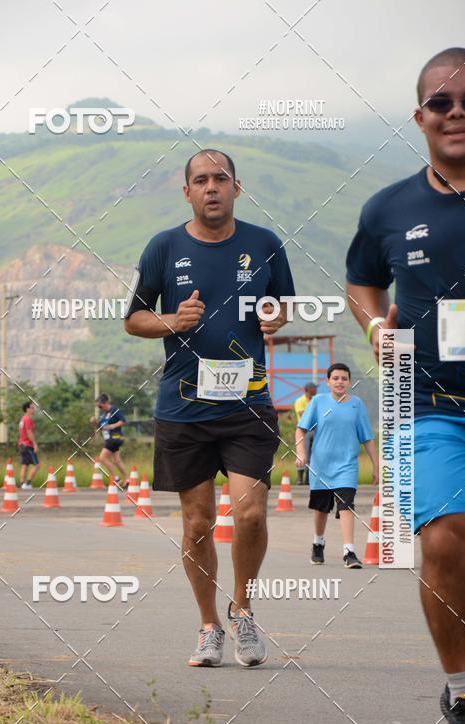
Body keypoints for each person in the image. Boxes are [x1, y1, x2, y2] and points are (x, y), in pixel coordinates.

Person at [346, 47, 465, 724]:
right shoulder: (389, 208)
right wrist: (375, 327)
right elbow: (361, 283)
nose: (457, 112)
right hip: (431, 404)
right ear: (419, 116)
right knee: (446, 537)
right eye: (442, 102)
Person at [124, 148, 294, 667]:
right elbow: (133, 319)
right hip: (183, 408)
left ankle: (242, 610)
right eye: (201, 180)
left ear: (237, 188)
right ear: (187, 192)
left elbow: (283, 302)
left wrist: (276, 317)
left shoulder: (265, 244)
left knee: (250, 513)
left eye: (221, 178)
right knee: (197, 525)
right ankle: (208, 626)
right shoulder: (165, 246)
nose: (212, 187)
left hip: (249, 402)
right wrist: (173, 321)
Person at [295, 364, 378, 568]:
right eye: (335, 378)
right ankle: (318, 543)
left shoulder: (356, 405)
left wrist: (376, 465)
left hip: (347, 466)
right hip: (320, 466)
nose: (339, 381)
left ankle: (349, 551)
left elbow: (367, 438)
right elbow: (300, 430)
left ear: (349, 382)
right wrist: (302, 453)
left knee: (346, 505)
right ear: (328, 381)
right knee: (321, 509)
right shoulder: (318, 402)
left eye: (343, 378)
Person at [89, 393, 129, 488]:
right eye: (97, 407)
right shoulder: (104, 414)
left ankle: (115, 478)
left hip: (114, 438)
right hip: (109, 439)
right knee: (116, 461)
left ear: (106, 403)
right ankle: (128, 479)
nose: (99, 408)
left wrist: (112, 426)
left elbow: (123, 421)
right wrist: (94, 423)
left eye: (100, 406)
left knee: (102, 458)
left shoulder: (114, 410)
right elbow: (101, 428)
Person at [293, 382, 317, 484]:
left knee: (314, 455)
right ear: (308, 389)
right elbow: (304, 415)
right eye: (314, 388)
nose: (315, 390)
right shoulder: (300, 401)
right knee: (303, 453)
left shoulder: (315, 401)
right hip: (304, 430)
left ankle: (308, 478)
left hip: (315, 430)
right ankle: (300, 478)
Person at [18, 401, 40, 489]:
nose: (33, 409)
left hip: (22, 444)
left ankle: (22, 483)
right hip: (27, 445)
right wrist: (34, 444)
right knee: (37, 465)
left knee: (25, 464)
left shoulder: (23, 419)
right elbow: (29, 432)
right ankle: (27, 483)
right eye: (32, 407)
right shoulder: (28, 419)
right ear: (27, 409)